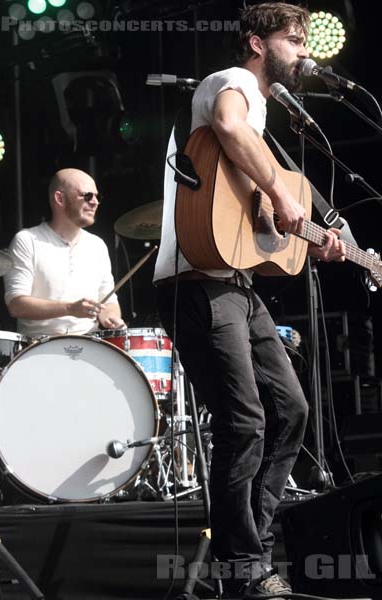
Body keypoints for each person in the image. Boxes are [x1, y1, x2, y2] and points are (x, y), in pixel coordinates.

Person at [154, 3, 346, 599]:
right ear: (257, 45)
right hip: (196, 282)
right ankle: (245, 567)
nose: (302, 52)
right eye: (293, 40)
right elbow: (231, 129)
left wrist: (306, 236)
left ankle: (244, 555)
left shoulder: (268, 116)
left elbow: (261, 218)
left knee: (290, 410)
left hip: (235, 282)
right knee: (244, 422)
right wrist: (280, 198)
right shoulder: (232, 83)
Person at [4, 168, 125, 338]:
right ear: (59, 198)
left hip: (90, 345)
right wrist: (69, 309)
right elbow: (16, 305)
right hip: (38, 349)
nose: (95, 202)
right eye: (88, 196)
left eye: (98, 197)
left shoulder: (97, 245)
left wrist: (111, 318)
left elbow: (109, 301)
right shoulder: (27, 240)